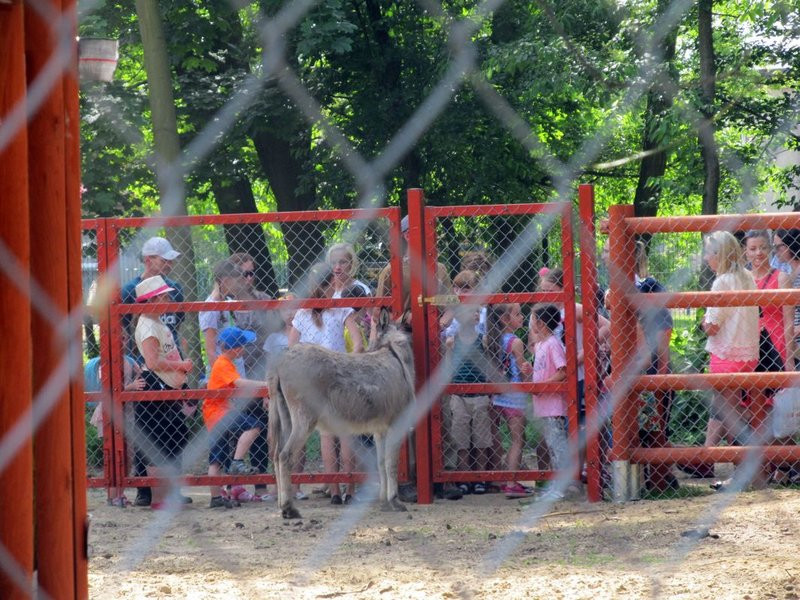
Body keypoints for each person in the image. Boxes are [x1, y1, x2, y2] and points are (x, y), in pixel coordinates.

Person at [289, 263, 364, 504]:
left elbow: (291, 348)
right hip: (340, 376)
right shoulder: (342, 309)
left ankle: (333, 492)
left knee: (326, 436)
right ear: (332, 282)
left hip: (314, 380)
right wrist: (350, 364)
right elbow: (358, 342)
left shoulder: (302, 314)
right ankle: (349, 490)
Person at [120, 236, 186, 507]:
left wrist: (181, 366)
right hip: (145, 369)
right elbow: (122, 332)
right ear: (149, 260)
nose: (169, 263)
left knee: (175, 431)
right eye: (164, 259)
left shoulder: (176, 290)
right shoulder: (129, 291)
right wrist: (129, 372)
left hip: (171, 368)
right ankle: (146, 490)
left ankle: (172, 490)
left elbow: (177, 331)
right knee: (150, 433)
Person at [133, 275, 194, 510]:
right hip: (156, 384)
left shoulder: (158, 322)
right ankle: (160, 497)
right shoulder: (148, 325)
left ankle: (170, 493)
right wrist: (180, 366)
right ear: (152, 300)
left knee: (176, 436)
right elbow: (152, 361)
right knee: (158, 439)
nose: (169, 300)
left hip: (166, 384)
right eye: (164, 296)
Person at [702, 231, 759, 455]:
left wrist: (703, 323)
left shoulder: (722, 281)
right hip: (748, 352)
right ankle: (736, 456)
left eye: (708, 253)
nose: (706, 258)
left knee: (722, 406)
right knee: (730, 406)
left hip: (727, 352)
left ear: (719, 254)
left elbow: (713, 326)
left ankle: (708, 455)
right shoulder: (747, 277)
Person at [204, 327, 270, 508]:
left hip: (218, 414)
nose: (244, 349)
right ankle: (237, 462)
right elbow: (240, 383)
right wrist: (266, 384)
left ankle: (216, 498)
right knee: (255, 426)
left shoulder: (225, 362)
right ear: (236, 348)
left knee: (217, 459)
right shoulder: (223, 363)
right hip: (219, 415)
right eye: (242, 345)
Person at [485, 302, 533, 498]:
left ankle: (499, 478)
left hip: (496, 396)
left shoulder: (491, 339)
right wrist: (529, 374)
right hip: (514, 397)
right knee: (517, 441)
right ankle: (511, 482)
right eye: (518, 314)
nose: (522, 317)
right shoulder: (516, 342)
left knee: (497, 439)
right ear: (506, 319)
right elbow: (522, 373)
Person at [85, 354, 145, 507]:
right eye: (120, 337)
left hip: (128, 411)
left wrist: (142, 372)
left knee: (128, 453)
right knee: (112, 453)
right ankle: (113, 496)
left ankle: (121, 493)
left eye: (124, 337)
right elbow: (107, 390)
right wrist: (130, 387)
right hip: (109, 411)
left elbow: (139, 378)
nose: (122, 341)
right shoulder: (102, 363)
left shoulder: (130, 360)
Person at [444, 305, 492, 494]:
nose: (475, 315)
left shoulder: (483, 340)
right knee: (460, 440)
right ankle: (463, 477)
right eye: (470, 312)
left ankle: (479, 478)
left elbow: (489, 363)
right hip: (459, 395)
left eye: (477, 312)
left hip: (480, 394)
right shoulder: (452, 341)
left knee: (481, 440)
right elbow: (448, 364)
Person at [529, 303, 571, 500]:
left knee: (557, 446)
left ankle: (561, 486)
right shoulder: (540, 345)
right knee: (551, 445)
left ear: (541, 323)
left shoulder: (553, 343)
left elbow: (563, 371)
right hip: (542, 405)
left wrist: (542, 386)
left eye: (533, 320)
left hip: (553, 405)